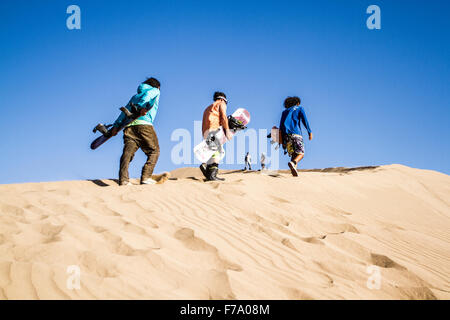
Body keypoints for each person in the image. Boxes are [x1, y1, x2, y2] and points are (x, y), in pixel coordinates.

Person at [110, 77, 161, 185]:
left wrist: (116, 126)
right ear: (158, 86)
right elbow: (148, 96)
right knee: (154, 151)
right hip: (144, 125)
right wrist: (141, 107)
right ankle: (146, 177)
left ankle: (123, 179)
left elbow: (125, 111)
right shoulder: (155, 90)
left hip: (129, 127)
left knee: (127, 153)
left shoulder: (135, 96)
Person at [200, 91, 232, 181]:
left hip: (206, 132)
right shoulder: (221, 103)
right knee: (219, 151)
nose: (226, 104)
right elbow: (224, 117)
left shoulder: (207, 108)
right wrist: (227, 131)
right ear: (222, 99)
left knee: (214, 151)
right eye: (226, 102)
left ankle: (208, 172)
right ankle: (212, 175)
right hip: (213, 131)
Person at [279, 96, 313, 176]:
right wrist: (309, 132)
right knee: (301, 153)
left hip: (286, 136)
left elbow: (281, 127)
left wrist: (282, 141)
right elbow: (305, 121)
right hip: (296, 134)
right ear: (297, 103)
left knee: (293, 154)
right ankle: (293, 163)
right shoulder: (299, 108)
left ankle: (294, 169)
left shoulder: (284, 112)